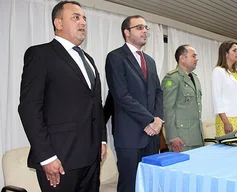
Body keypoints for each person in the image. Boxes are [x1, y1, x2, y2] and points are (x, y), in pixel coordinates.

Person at [18, 1, 106, 191]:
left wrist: (102, 139)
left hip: (91, 158)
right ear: (58, 23)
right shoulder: (40, 54)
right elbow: (29, 108)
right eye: (76, 17)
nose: (83, 22)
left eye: (84, 18)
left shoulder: (88, 60)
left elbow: (95, 104)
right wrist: (46, 156)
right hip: (60, 159)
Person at [105, 15, 163, 192]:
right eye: (139, 27)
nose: (145, 31)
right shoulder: (115, 57)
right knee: (129, 185)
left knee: (150, 184)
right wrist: (150, 120)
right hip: (129, 135)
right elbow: (122, 96)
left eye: (146, 28)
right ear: (126, 32)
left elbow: (158, 93)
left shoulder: (150, 61)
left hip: (152, 136)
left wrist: (158, 119)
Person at [161, 45, 203, 152]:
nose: (196, 59)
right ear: (182, 58)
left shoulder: (195, 78)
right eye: (193, 56)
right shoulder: (172, 78)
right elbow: (167, 108)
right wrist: (172, 136)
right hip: (181, 138)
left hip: (197, 136)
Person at [212, 41, 237, 136]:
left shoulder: (236, 72)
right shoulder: (218, 71)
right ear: (226, 54)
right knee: (229, 149)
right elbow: (217, 99)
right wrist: (226, 122)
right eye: (234, 50)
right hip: (228, 119)